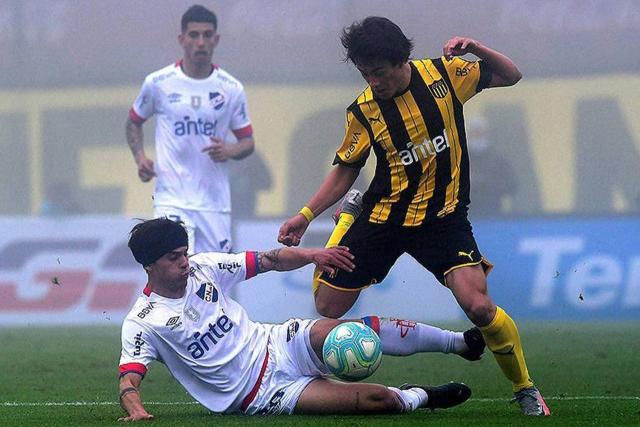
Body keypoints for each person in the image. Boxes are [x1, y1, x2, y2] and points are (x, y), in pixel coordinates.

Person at [278, 17, 550, 416]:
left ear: (401, 60)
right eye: (365, 73)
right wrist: (305, 215)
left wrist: (474, 46)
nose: (373, 81)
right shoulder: (364, 111)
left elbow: (512, 74)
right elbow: (345, 167)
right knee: (328, 306)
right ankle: (347, 220)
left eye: (380, 72)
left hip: (443, 219)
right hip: (383, 218)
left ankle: (525, 388)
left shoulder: (446, 75)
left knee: (478, 307)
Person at [117, 217, 484, 420]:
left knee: (349, 332)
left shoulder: (203, 268)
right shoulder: (144, 321)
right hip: (260, 393)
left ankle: (459, 343)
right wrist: (136, 411)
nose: (184, 262)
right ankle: (422, 396)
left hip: (278, 342)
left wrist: (312, 255)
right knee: (378, 403)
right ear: (149, 265)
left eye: (184, 253)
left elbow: (269, 260)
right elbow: (129, 379)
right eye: (172, 258)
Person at [125, 5, 255, 254]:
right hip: (171, 200)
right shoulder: (159, 83)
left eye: (207, 35)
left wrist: (230, 149)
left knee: (213, 281)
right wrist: (140, 158)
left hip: (214, 203)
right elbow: (134, 121)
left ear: (216, 39)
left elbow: (247, 141)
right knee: (173, 272)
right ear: (181, 39)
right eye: (194, 35)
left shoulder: (231, 88)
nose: (201, 42)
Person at [466, 116, 517, 218]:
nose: (477, 136)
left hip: (493, 216)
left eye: (480, 133)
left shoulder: (498, 160)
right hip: (468, 216)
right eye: (474, 133)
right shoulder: (460, 160)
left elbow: (513, 185)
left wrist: (484, 183)